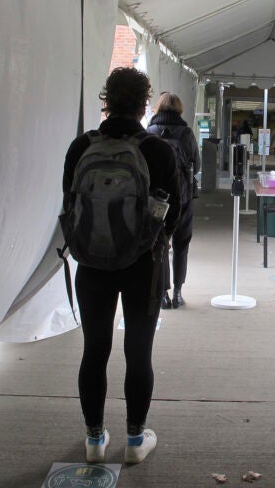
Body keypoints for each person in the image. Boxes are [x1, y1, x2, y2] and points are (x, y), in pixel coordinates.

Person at [62, 67, 181, 464]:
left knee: (94, 350)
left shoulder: (82, 147)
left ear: (106, 100)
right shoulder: (157, 150)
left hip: (91, 264)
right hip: (143, 265)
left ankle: (95, 439)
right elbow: (175, 213)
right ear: (144, 103)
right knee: (138, 351)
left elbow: (68, 205)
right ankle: (134, 441)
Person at [147, 93, 200, 309]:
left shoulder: (150, 133)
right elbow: (196, 166)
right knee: (181, 245)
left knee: (160, 244)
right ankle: (178, 292)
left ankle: (163, 295)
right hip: (183, 196)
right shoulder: (186, 133)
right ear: (179, 109)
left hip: (157, 198)